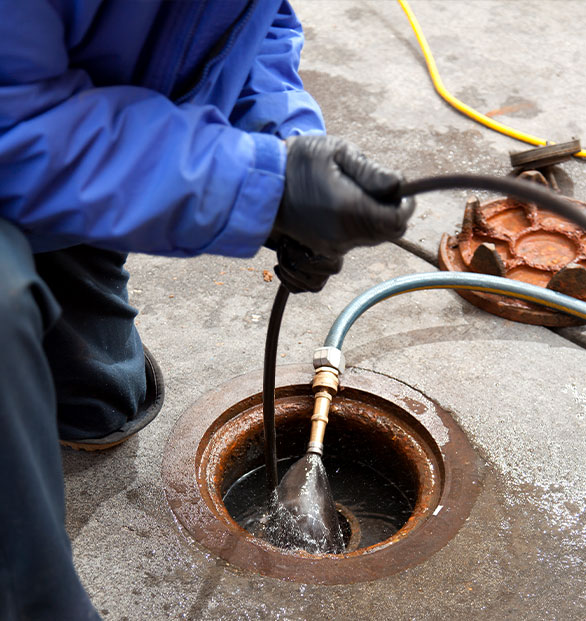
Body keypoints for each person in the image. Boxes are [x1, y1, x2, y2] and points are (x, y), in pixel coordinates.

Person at [0, 1, 414, 618]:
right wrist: (259, 188)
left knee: (105, 403)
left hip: (43, 129)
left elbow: (256, 25)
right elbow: (14, 126)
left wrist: (285, 145)